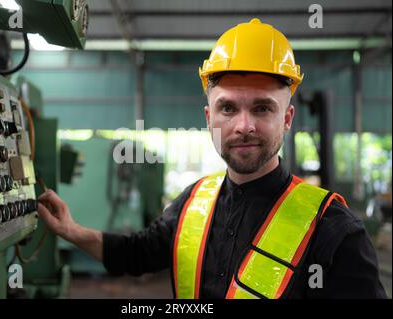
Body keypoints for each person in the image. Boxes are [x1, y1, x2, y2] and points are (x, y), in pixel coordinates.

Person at [38, 19, 387, 299]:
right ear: (209, 118)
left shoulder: (333, 230)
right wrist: (71, 231)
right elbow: (136, 253)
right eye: (228, 108)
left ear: (287, 118)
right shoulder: (192, 203)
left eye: (262, 108)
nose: (243, 126)